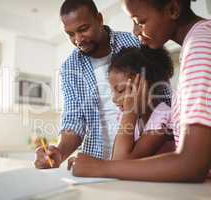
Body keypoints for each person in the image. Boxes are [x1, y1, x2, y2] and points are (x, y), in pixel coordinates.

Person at [68, 0, 211, 181]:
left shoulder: (204, 46)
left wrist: (100, 167)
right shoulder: (201, 42)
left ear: (173, 9)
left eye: (140, 21)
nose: (135, 32)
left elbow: (192, 164)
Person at [34, 0, 171, 168]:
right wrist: (59, 152)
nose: (78, 40)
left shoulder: (137, 43)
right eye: (70, 34)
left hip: (139, 160)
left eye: (83, 29)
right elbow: (73, 120)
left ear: (99, 19)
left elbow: (163, 97)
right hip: (97, 162)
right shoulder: (69, 68)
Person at [108, 47, 175, 160]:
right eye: (113, 91)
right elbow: (114, 158)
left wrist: (130, 113)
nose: (114, 99)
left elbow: (120, 162)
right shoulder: (128, 117)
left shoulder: (164, 119)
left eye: (121, 90)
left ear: (145, 87)